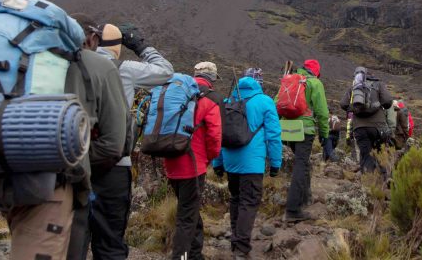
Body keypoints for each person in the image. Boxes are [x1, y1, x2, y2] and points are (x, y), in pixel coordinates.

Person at [34, 14, 125, 260]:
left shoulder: (32, 61)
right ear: (92, 38)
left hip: (24, 178)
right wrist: (78, 156)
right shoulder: (102, 67)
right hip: (72, 182)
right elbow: (114, 144)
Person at [79, 23, 173, 259]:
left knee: (73, 239)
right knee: (110, 243)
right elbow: (166, 70)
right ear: (119, 47)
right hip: (113, 166)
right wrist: (141, 46)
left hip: (74, 164)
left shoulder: (72, 65)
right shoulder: (125, 69)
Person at [212, 76, 282, 260]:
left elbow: (217, 134)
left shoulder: (228, 101)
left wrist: (217, 163)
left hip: (230, 163)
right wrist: (275, 163)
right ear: (257, 85)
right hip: (252, 164)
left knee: (236, 199)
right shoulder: (265, 101)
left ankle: (236, 240)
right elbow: (274, 135)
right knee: (249, 202)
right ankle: (241, 248)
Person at [161, 62, 222, 260]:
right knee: (186, 218)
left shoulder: (176, 96)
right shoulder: (209, 101)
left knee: (189, 210)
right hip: (193, 167)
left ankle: (195, 254)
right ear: (212, 80)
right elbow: (214, 137)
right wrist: (210, 158)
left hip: (170, 163)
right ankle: (181, 257)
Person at [279, 59, 329, 222]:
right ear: (316, 72)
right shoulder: (315, 83)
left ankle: (306, 197)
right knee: (301, 164)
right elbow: (322, 112)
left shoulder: (289, 79)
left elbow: (276, 103)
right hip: (304, 130)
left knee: (303, 164)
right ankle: (293, 210)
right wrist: (324, 134)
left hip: (286, 130)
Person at [340, 67, 393, 177]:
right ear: (371, 75)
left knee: (365, 155)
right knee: (381, 152)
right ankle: (386, 180)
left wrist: (355, 109)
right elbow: (388, 101)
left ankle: (368, 183)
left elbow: (343, 104)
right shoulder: (378, 84)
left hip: (360, 128)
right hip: (378, 127)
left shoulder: (354, 87)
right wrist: (377, 105)